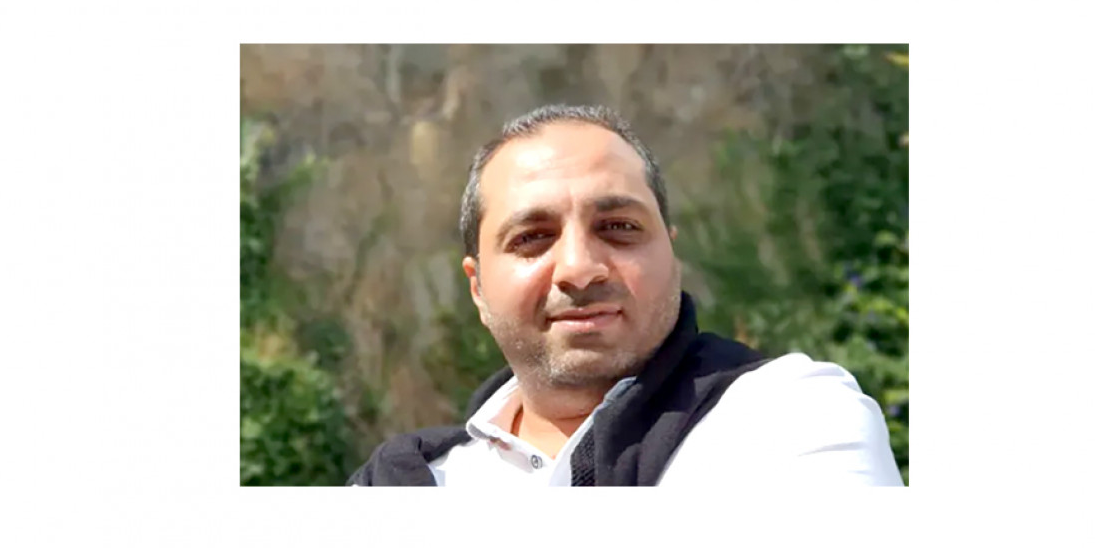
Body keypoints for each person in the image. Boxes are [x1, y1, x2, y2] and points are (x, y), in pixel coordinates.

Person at [346, 105, 903, 486]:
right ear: (477, 287)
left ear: (672, 255)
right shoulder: (407, 480)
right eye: (531, 238)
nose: (579, 269)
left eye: (618, 228)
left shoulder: (790, 417)